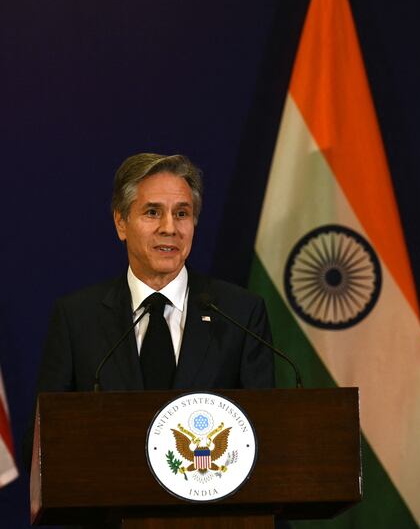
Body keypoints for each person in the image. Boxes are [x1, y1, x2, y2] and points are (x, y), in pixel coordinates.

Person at [24, 153, 274, 465]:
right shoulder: (77, 318)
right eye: (153, 212)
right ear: (121, 223)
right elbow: (44, 443)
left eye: (182, 213)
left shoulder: (239, 314)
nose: (169, 228)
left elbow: (265, 435)